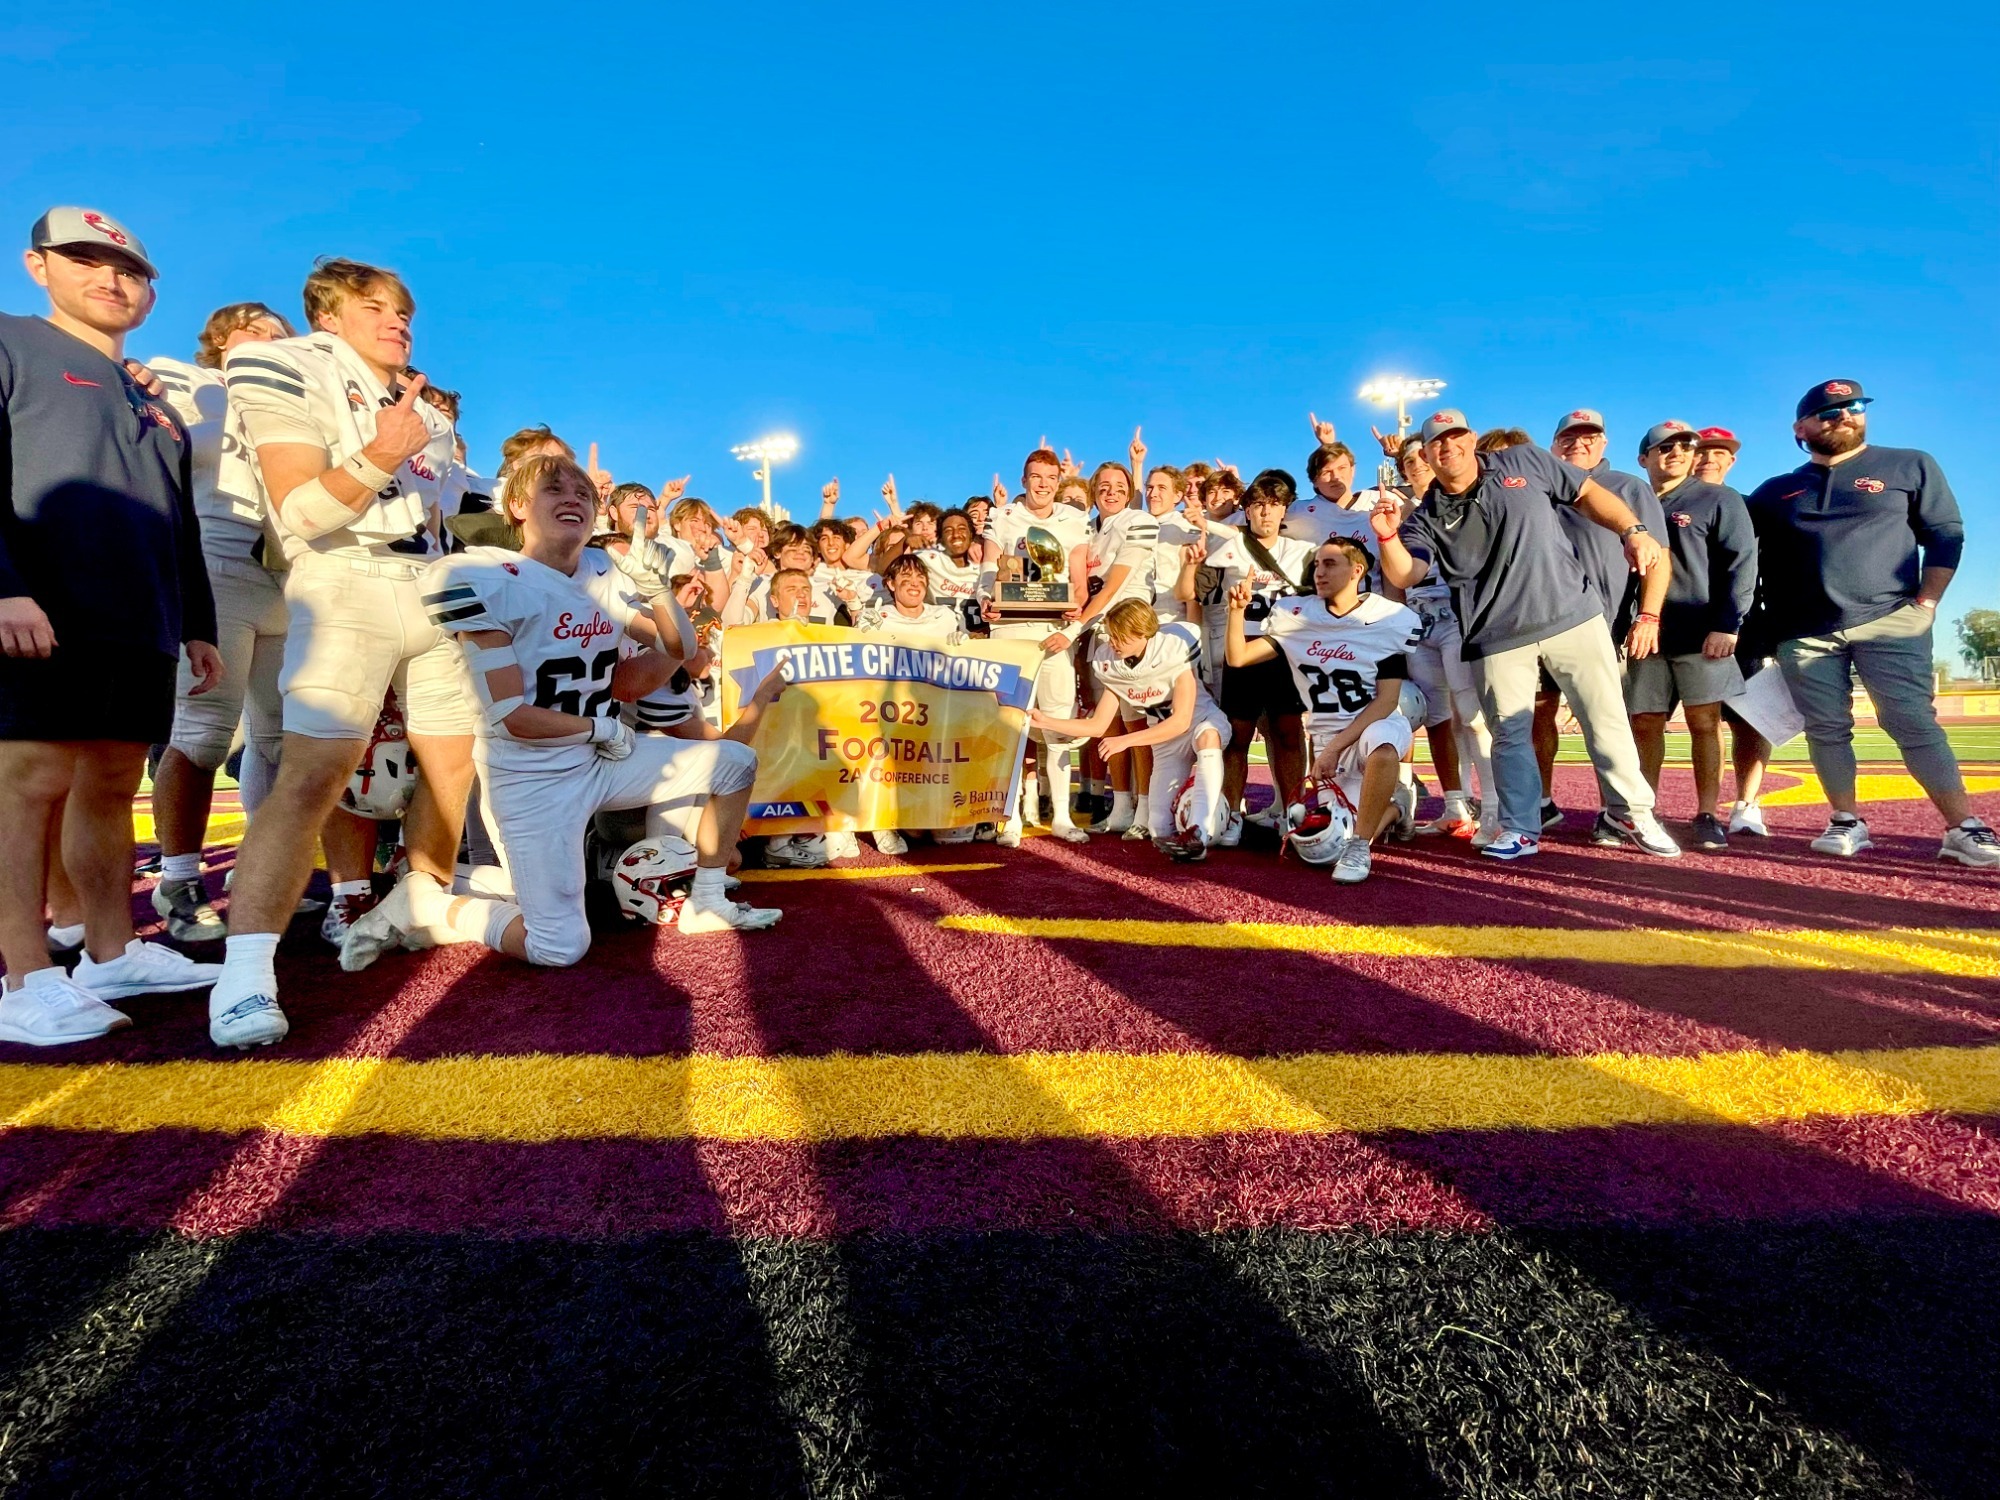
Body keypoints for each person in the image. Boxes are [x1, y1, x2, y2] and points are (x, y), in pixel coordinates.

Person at [339, 454, 778, 971]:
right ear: (517, 506)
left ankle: (707, 900)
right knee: (559, 945)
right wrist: (599, 727)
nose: (573, 497)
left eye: (583, 493)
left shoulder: (601, 571)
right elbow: (509, 714)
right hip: (531, 776)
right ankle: (427, 901)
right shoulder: (484, 576)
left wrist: (659, 593)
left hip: (597, 760)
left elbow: (678, 647)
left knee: (733, 761)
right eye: (554, 489)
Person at [203, 257, 472, 1048]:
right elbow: (304, 511)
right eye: (375, 306)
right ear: (327, 315)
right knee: (313, 775)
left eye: (404, 309)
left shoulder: (418, 399)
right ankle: (245, 969)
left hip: (426, 581)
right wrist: (381, 453)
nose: (399, 320)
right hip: (342, 578)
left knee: (454, 761)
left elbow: (455, 508)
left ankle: (417, 898)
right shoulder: (278, 361)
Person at [0, 207, 226, 1046]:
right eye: (86, 260)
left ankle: (111, 948)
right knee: (26, 782)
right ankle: (23, 977)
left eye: (129, 268)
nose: (112, 278)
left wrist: (195, 621)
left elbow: (180, 521)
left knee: (110, 781)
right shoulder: (9, 342)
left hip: (138, 620)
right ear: (38, 265)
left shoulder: (153, 399)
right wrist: (4, 586)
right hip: (39, 602)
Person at [1374, 409, 1678, 860]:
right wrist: (1386, 538)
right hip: (1496, 635)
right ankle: (1519, 827)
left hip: (1571, 614)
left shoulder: (1523, 462)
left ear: (1472, 438)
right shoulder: (1426, 517)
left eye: (1457, 435)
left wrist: (1632, 529)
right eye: (1437, 441)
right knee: (1511, 733)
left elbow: (1588, 492)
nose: (1449, 446)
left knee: (1606, 719)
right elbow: (1407, 572)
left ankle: (1629, 811)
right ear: (1427, 455)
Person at [1744, 379, 1997, 867]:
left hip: (1890, 620)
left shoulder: (1908, 464)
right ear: (1800, 428)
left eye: (1853, 407)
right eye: (1828, 411)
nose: (1843, 416)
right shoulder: (1775, 492)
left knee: (1911, 721)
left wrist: (1927, 602)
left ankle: (1962, 826)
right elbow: (1738, 552)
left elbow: (1945, 533)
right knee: (1826, 727)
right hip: (1805, 632)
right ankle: (1845, 819)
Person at [146, 301, 296, 940]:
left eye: (279, 335)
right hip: (214, 553)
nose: (267, 341)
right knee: (205, 731)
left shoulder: (299, 400)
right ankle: (178, 878)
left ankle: (260, 867)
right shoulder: (181, 379)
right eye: (253, 331)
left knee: (281, 734)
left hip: (290, 569)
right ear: (219, 339)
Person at [1226, 538, 1419, 885]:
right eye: (1316, 564)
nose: (1319, 572)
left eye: (1330, 564)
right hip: (1327, 734)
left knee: (1383, 747)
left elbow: (1387, 702)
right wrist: (1236, 612)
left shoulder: (1384, 619)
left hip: (1370, 725)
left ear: (1356, 571)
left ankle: (1361, 848)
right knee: (1325, 845)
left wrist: (1332, 749)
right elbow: (1237, 658)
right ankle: (1399, 807)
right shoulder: (1299, 616)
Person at [1627, 421, 1758, 850]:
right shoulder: (1631, 502)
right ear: (1644, 457)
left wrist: (1728, 624)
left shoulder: (1718, 498)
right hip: (1646, 634)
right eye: (1664, 447)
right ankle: (1644, 810)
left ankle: (1707, 813)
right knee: (1644, 723)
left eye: (1684, 445)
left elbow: (1741, 564)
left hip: (1701, 631)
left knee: (1704, 723)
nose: (1676, 452)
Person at [1541, 408, 1672, 833]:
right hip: (1540, 624)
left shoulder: (1628, 487)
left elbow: (1658, 558)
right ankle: (1542, 803)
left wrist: (1649, 615)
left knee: (1607, 721)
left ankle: (1614, 811)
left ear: (1604, 442)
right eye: (1569, 437)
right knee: (1538, 715)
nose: (1579, 444)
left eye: (1589, 436)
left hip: (1604, 625)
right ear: (1553, 444)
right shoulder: (1539, 488)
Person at [1032, 599, 1227, 859]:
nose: (1112, 643)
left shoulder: (1174, 646)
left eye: (1120, 637)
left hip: (1199, 721)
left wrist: (1126, 741)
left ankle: (1200, 832)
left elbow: (1181, 721)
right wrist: (1045, 720)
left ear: (1143, 632)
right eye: (1112, 635)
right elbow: (1098, 724)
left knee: (1208, 738)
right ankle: (1191, 835)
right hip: (1164, 741)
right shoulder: (1110, 662)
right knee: (1158, 829)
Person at [979, 448, 1091, 847]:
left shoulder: (1074, 520)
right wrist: (984, 600)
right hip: (1010, 629)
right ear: (1024, 478)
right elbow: (990, 569)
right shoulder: (1004, 515)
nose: (1042, 484)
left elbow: (1078, 580)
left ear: (1058, 482)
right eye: (1035, 476)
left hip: (1053, 630)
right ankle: (1007, 816)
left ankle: (1061, 814)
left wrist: (1075, 619)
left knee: (1057, 722)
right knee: (1010, 723)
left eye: (1049, 477)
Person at [1393, 434, 1497, 845]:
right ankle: (1455, 804)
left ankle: (1491, 809)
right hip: (1418, 621)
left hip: (1457, 617)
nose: (1417, 463)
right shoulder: (1397, 511)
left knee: (1472, 716)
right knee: (1435, 718)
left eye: (1423, 456)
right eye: (1409, 460)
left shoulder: (1465, 499)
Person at [1202, 469, 1314, 844]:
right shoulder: (1226, 549)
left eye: (1274, 505)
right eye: (1258, 505)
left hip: (1284, 652)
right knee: (1238, 734)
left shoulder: (1303, 551)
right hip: (1242, 650)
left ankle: (1291, 811)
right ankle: (1232, 814)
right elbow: (1196, 594)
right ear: (1246, 510)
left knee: (1287, 732)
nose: (1266, 513)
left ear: (1285, 510)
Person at [855, 553, 969, 856]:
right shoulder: (875, 616)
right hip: (888, 716)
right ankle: (883, 822)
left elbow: (967, 658)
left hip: (934, 715)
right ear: (890, 584)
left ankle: (930, 814)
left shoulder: (944, 616)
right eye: (906, 579)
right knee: (884, 763)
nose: (914, 585)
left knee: (948, 838)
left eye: (920, 579)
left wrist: (962, 643)